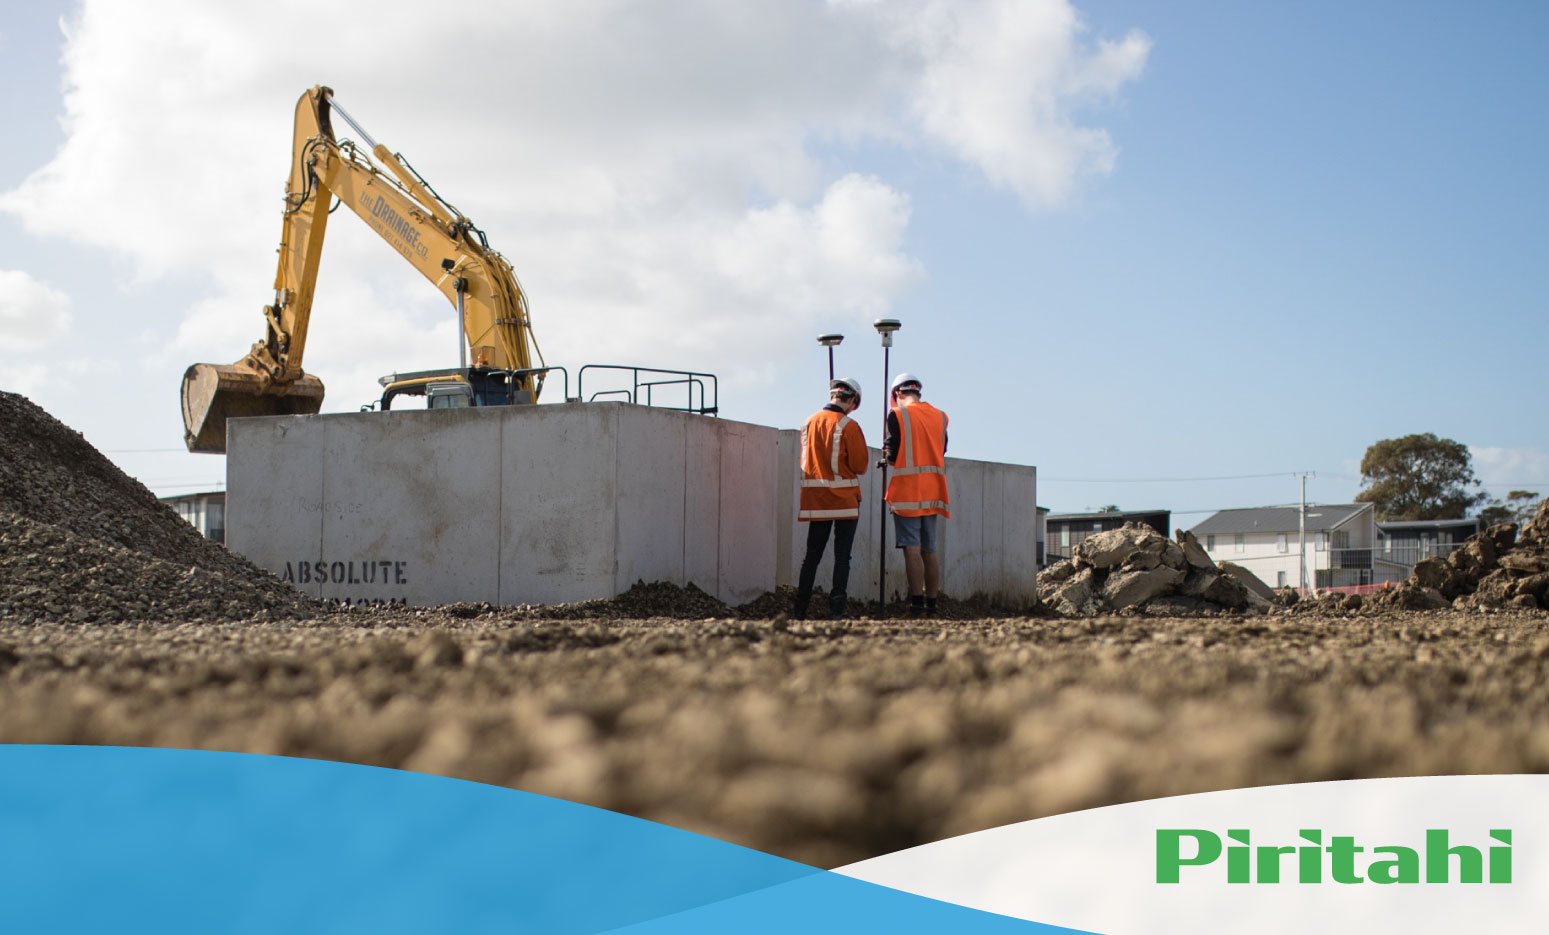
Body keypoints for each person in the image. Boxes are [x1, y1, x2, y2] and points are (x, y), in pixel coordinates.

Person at [794, 377, 869, 619]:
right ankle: (837, 610)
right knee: (842, 557)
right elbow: (860, 465)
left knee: (812, 557)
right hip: (844, 501)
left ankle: (799, 611)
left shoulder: (808, 422)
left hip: (816, 501)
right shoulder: (848, 426)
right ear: (853, 401)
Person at [883, 372, 949, 615]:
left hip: (908, 493)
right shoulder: (940, 417)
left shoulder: (897, 415)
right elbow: (942, 449)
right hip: (934, 491)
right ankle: (932, 604)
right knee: (929, 550)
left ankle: (917, 603)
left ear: (897, 394)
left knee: (912, 548)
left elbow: (892, 455)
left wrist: (887, 455)